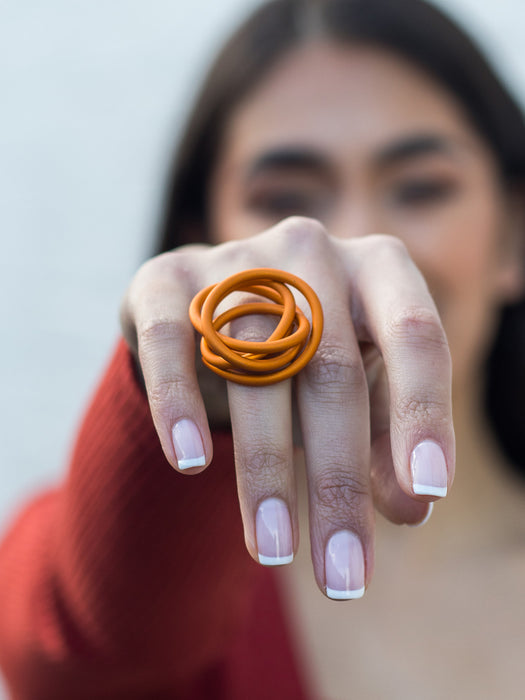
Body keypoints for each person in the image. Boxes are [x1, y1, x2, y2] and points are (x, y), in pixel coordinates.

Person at [1, 0, 525, 697]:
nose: (349, 242)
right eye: (284, 197)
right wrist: (186, 390)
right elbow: (71, 649)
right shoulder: (142, 583)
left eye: (421, 188)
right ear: (203, 241)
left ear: (514, 234)